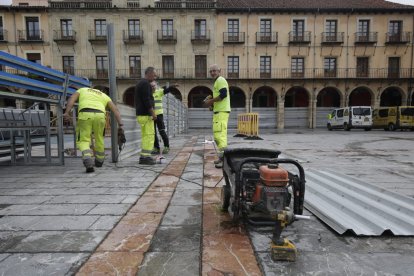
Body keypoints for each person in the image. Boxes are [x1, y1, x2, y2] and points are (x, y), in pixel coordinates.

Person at [64, 87, 123, 173]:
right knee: (99, 138)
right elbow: (116, 110)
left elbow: (72, 98)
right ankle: (99, 161)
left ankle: (87, 158)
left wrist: (67, 112)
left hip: (85, 113)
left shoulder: (83, 90)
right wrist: (121, 125)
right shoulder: (104, 95)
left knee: (83, 139)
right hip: (100, 116)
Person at [203, 64, 231, 168]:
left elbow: (223, 95)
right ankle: (222, 158)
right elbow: (220, 97)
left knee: (220, 136)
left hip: (221, 112)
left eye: (214, 70)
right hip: (219, 111)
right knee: (217, 136)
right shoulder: (217, 82)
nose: (212, 73)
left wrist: (210, 101)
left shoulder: (220, 80)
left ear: (219, 71)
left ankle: (224, 160)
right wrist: (213, 104)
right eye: (211, 71)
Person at [135, 66, 157, 165]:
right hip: (146, 115)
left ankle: (143, 156)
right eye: (154, 74)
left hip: (142, 114)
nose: (155, 77)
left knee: (145, 136)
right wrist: (152, 112)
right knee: (149, 136)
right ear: (149, 73)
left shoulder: (141, 83)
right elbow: (146, 100)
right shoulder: (145, 83)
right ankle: (146, 157)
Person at [150, 81, 178, 155]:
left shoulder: (159, 92)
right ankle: (156, 148)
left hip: (159, 115)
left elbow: (167, 90)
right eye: (151, 86)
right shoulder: (148, 94)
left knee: (162, 131)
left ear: (156, 86)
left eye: (154, 85)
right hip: (151, 116)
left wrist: (172, 86)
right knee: (153, 133)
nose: (152, 87)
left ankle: (166, 146)